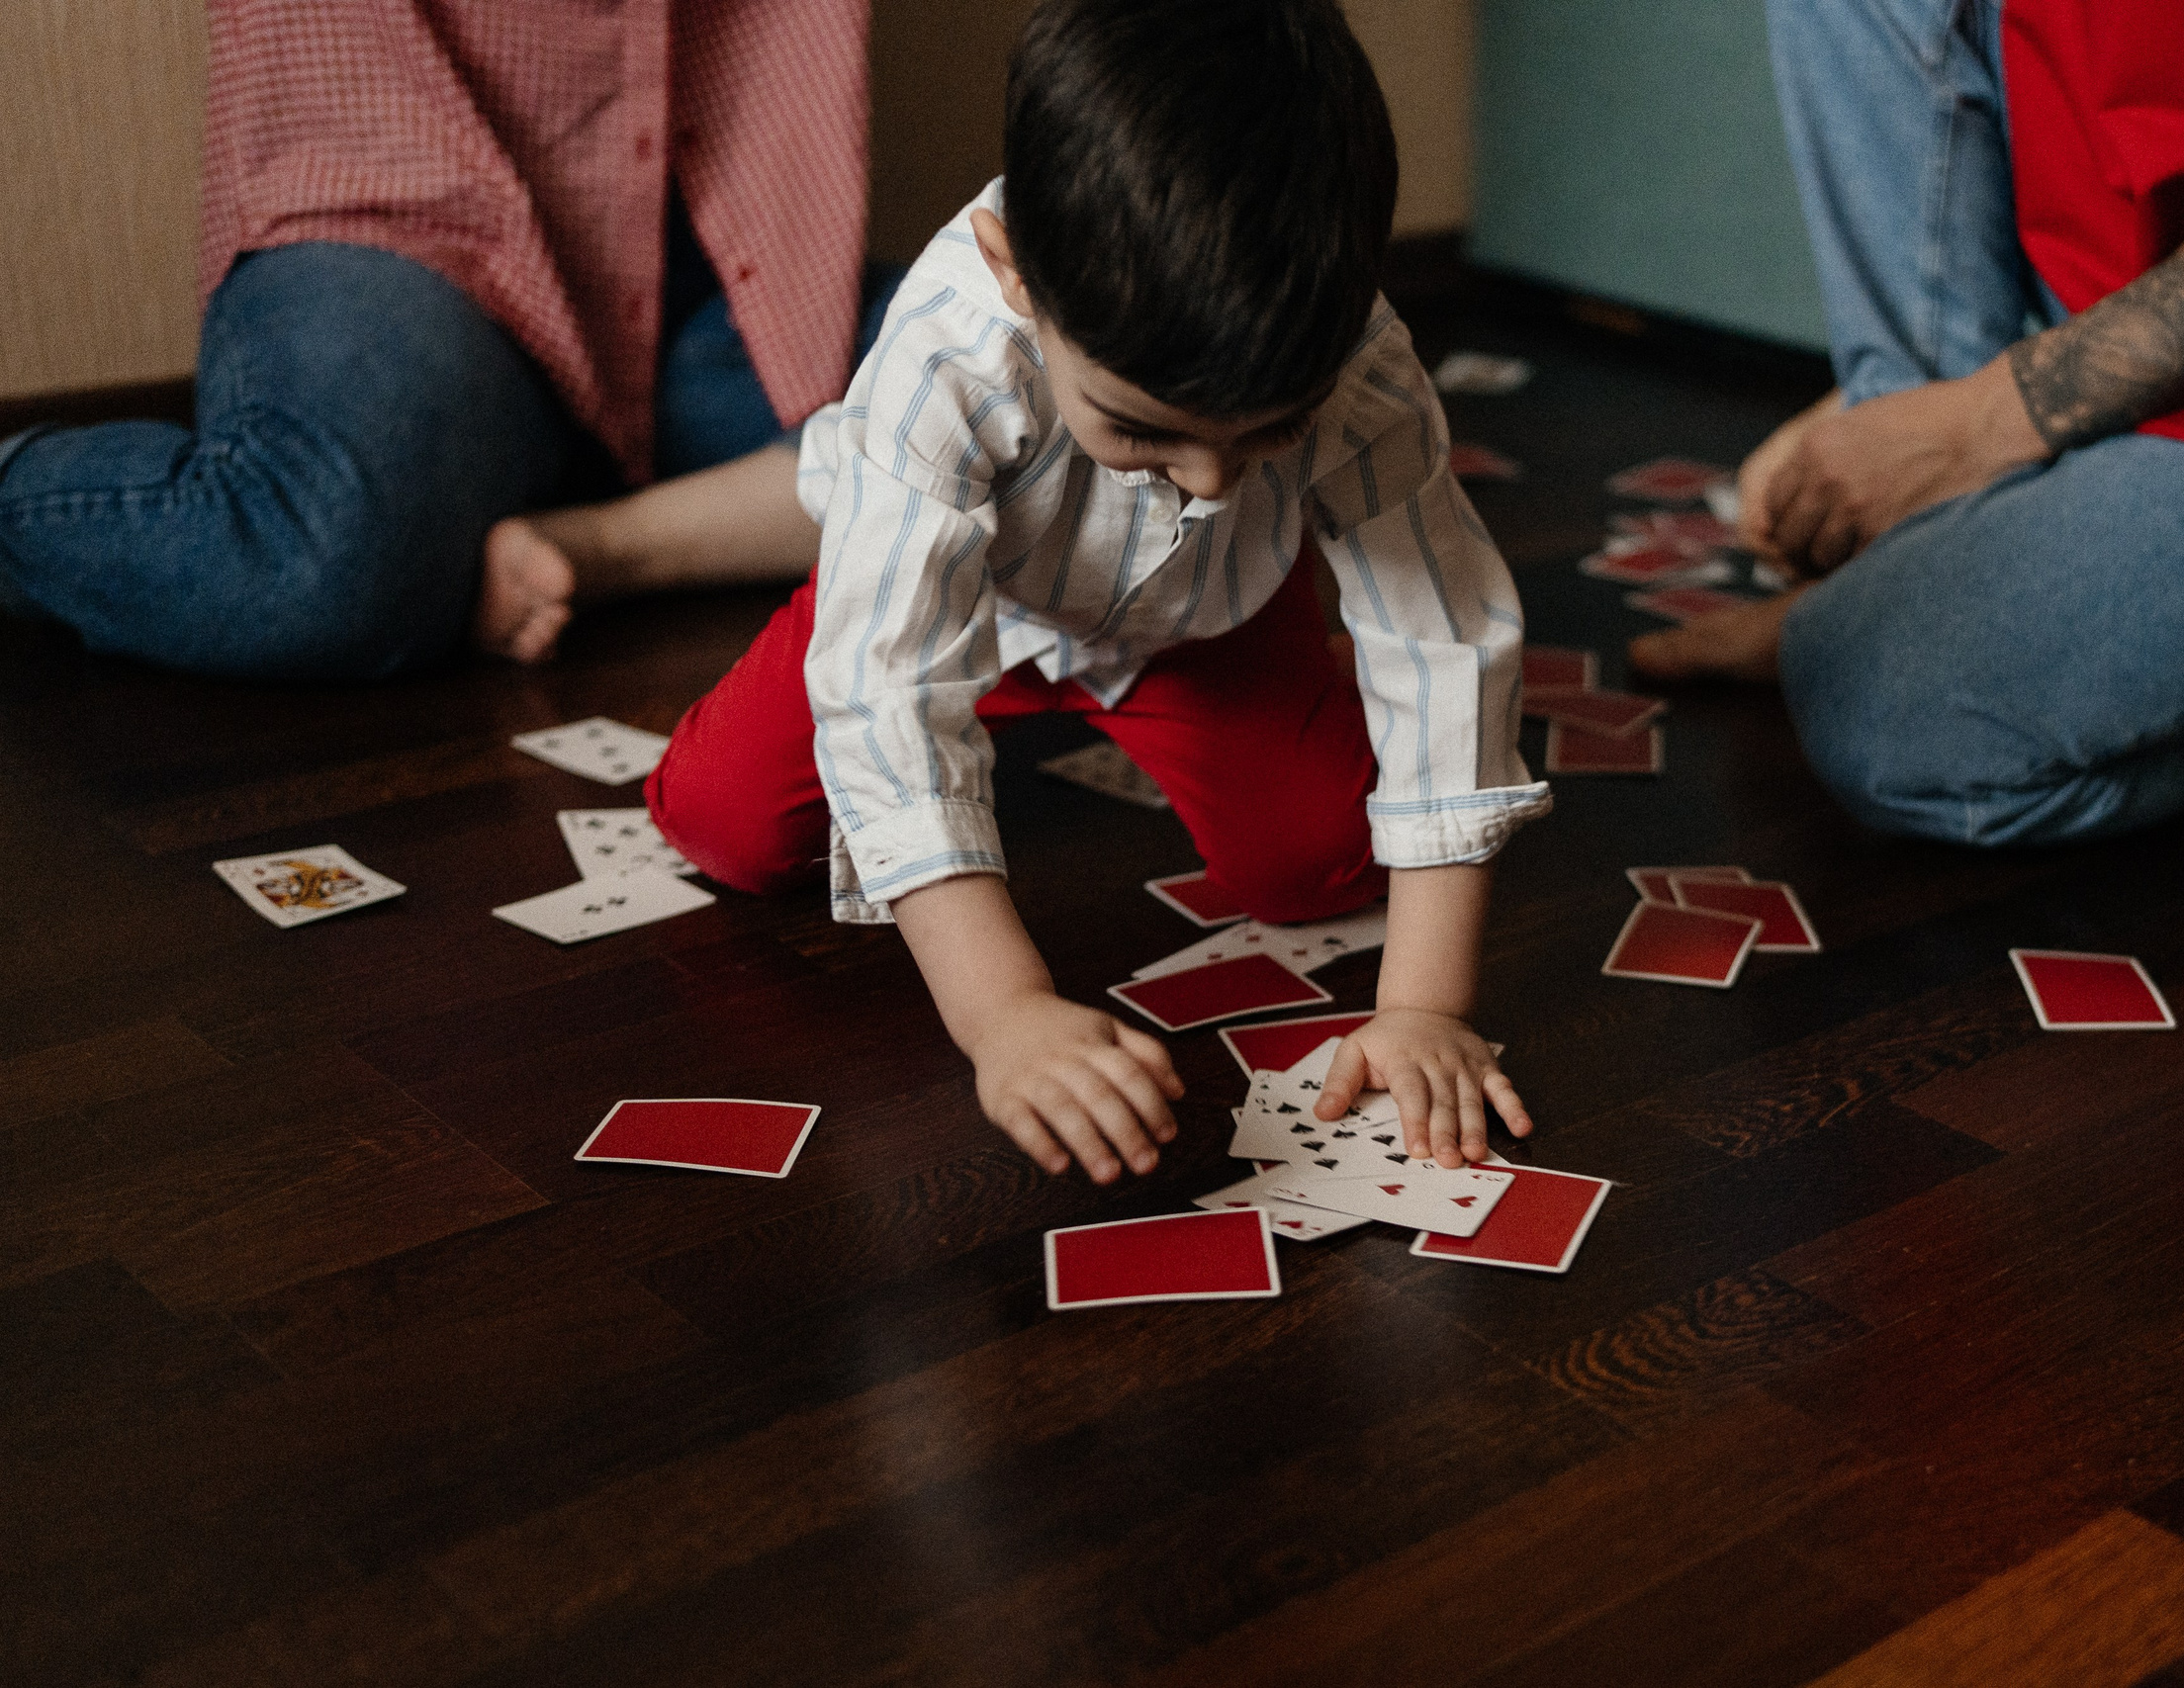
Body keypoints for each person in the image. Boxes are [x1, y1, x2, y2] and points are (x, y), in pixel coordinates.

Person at [645, 0, 1551, 1186]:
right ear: (1017, 273)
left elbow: (1440, 638)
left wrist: (1428, 1005)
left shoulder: (1362, 360)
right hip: (975, 605)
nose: (1216, 481)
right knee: (720, 830)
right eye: (1144, 430)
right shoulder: (944, 353)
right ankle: (769, 524)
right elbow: (888, 688)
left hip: (1209, 621)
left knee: (1315, 870)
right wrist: (1003, 1010)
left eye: (1269, 433)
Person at [1635, 0, 2184, 846]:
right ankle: (1900, 550)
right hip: (2154, 324)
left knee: (1877, 706)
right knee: (1868, 641)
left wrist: (1986, 419)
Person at [0, 1, 892, 680]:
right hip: (410, 208)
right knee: (330, 546)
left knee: (1003, 376)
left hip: (706, 246)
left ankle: (593, 544)